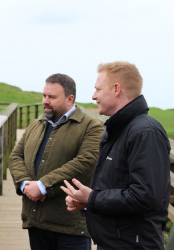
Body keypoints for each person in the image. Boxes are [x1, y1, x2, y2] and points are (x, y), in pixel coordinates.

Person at [61, 61, 171, 250]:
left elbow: (146, 197)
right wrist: (88, 202)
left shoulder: (145, 132)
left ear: (116, 89)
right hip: (114, 241)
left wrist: (93, 198)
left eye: (98, 89)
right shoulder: (118, 129)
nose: (93, 96)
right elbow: (118, 186)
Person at [9, 73, 104, 250]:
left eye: (52, 97)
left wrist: (44, 185)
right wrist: (25, 184)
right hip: (36, 220)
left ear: (70, 99)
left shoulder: (91, 127)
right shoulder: (36, 124)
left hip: (70, 226)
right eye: (44, 95)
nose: (45, 100)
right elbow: (15, 156)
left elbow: (86, 162)